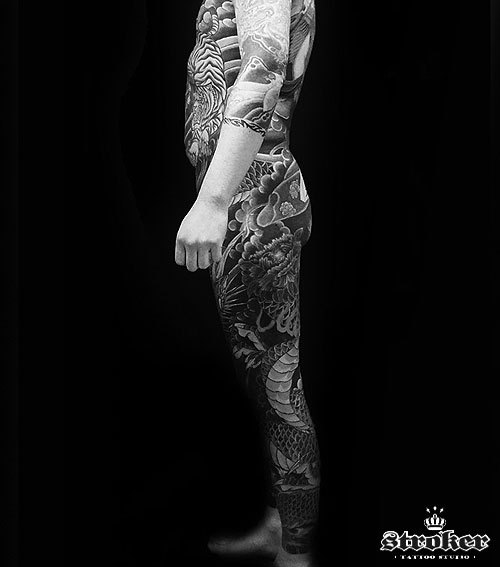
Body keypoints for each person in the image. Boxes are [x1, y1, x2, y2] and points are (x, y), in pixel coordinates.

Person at [176, 1, 320, 565]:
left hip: (253, 197)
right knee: (263, 385)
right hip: (252, 191)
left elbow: (264, 68)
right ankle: (281, 525)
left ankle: (297, 553)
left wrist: (214, 201)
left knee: (280, 387)